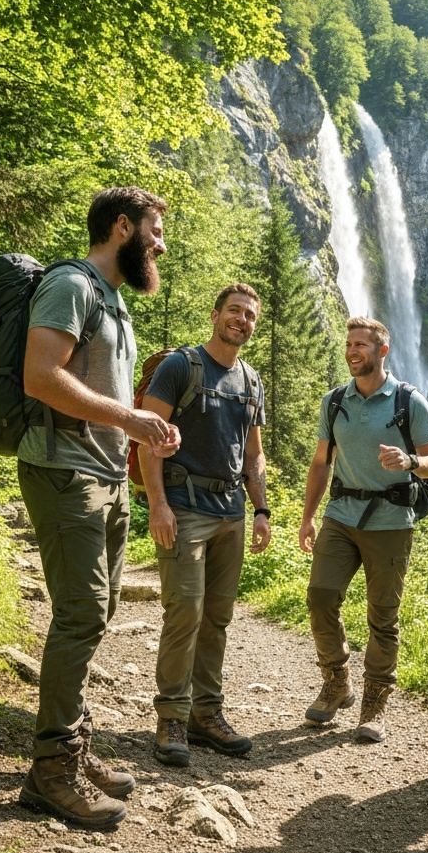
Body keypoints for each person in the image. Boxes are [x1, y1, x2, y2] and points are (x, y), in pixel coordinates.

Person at [17, 186, 180, 828]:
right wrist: (131, 417)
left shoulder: (114, 304)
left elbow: (108, 397)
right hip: (64, 471)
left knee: (100, 610)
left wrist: (145, 433)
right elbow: (41, 377)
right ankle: (50, 771)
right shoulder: (72, 286)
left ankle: (72, 747)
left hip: (108, 476)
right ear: (122, 227)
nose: (160, 244)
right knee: (82, 613)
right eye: (154, 230)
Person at [139, 283, 271, 767]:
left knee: (217, 617)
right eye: (234, 311)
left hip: (231, 513)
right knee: (185, 612)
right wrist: (158, 505)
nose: (242, 320)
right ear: (215, 315)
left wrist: (261, 510)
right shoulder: (182, 367)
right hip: (184, 508)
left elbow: (254, 455)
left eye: (250, 315)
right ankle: (171, 716)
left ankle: (206, 714)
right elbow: (146, 438)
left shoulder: (251, 381)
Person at [298, 318, 428, 743]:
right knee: (321, 597)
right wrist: (308, 516)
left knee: (383, 618)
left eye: (361, 344)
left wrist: (410, 462)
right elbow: (321, 462)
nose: (352, 350)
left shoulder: (408, 401)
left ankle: (374, 705)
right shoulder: (334, 401)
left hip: (390, 523)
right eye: (349, 344)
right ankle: (336, 681)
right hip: (341, 515)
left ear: (383, 350)